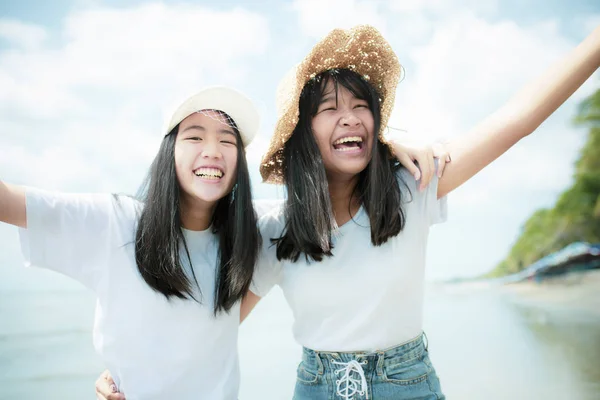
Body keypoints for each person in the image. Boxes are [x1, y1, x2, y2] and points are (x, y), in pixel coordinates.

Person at [249, 24, 600, 400]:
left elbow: (518, 120)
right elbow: (211, 326)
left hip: (407, 386)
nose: (350, 118)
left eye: (361, 106)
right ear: (305, 132)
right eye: (330, 108)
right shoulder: (275, 227)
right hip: (316, 388)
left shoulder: (411, 185)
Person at [0, 86, 266, 400]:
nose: (212, 150)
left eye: (226, 140)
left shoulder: (253, 234)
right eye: (195, 137)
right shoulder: (117, 222)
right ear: (169, 151)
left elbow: (214, 329)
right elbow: (9, 202)